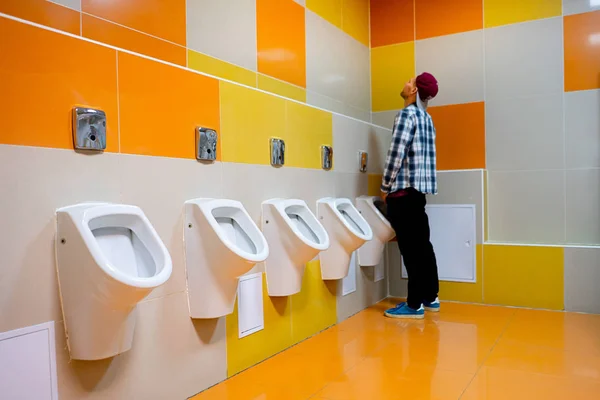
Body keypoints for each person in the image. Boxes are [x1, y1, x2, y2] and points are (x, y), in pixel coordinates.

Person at [380, 72, 440, 320]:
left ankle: (414, 305)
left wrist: (384, 187)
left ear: (413, 91)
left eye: (410, 82)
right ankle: (430, 296)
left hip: (402, 194)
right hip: (419, 194)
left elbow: (396, 153)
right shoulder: (427, 119)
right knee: (423, 247)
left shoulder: (406, 116)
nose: (405, 83)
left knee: (411, 251)